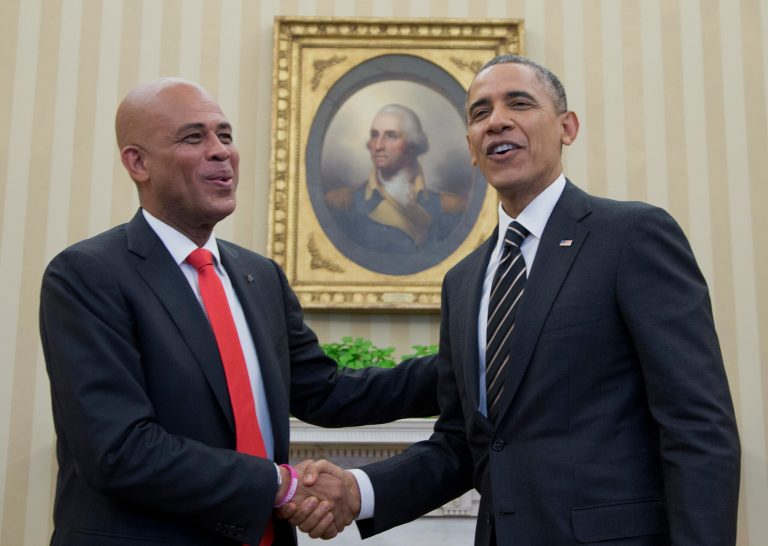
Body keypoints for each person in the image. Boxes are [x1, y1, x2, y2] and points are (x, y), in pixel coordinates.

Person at [289, 54, 741, 545]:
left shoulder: (632, 237)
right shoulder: (463, 282)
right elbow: (466, 444)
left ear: (567, 127)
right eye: (480, 113)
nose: (497, 120)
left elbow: (697, 427)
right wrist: (361, 491)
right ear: (470, 147)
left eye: (519, 103)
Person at [38, 78, 438, 546]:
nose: (220, 152)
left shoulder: (258, 275)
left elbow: (325, 392)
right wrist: (279, 483)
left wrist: (469, 369)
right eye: (194, 137)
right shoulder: (88, 274)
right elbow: (120, 449)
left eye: (225, 136)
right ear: (137, 162)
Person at [324, 103, 467, 254]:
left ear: (412, 144)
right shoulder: (343, 204)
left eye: (391, 136)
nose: (378, 146)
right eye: (374, 135)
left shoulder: (449, 208)